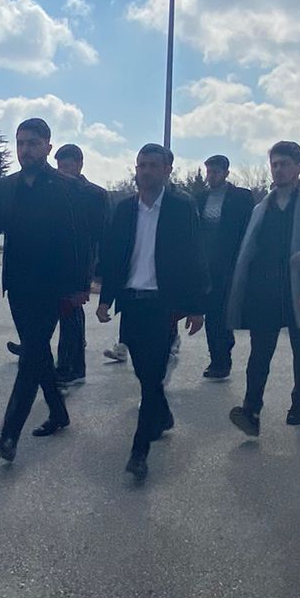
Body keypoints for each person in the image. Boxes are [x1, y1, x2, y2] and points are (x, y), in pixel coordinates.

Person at [0, 116, 92, 463]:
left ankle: (9, 435)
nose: (25, 150)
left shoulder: (66, 188)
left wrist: (79, 286)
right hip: (17, 286)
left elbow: (79, 241)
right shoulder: (7, 187)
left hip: (52, 287)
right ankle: (58, 413)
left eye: (33, 143)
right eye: (21, 143)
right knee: (38, 352)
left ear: (48, 147)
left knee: (31, 355)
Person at [96, 144, 207, 480]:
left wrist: (196, 307)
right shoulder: (124, 209)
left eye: (153, 165)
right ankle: (163, 414)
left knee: (152, 375)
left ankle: (139, 452)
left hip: (163, 303)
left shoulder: (181, 208)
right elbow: (114, 256)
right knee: (145, 374)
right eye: (141, 165)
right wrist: (105, 299)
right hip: (132, 302)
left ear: (167, 170)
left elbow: (194, 256)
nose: (145, 171)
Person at [225, 142, 300, 437]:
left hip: (299, 288)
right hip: (264, 289)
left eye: (285, 164)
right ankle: (251, 411)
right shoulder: (261, 207)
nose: (279, 169)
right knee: (259, 352)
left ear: (299, 166)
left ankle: (299, 404)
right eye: (274, 164)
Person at [52, 145, 110, 387]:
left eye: (68, 166)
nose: (63, 171)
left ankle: (71, 368)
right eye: (60, 167)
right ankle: (66, 362)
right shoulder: (53, 191)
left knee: (70, 311)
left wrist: (97, 272)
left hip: (80, 262)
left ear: (79, 165)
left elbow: (101, 235)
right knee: (58, 311)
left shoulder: (95, 195)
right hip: (54, 261)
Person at [195, 154, 255, 382]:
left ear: (226, 173)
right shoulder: (200, 198)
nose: (211, 176)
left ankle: (222, 358)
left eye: (216, 172)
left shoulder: (241, 197)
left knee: (221, 313)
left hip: (229, 263)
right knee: (211, 313)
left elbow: (249, 228)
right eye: (208, 172)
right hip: (205, 263)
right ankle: (217, 359)